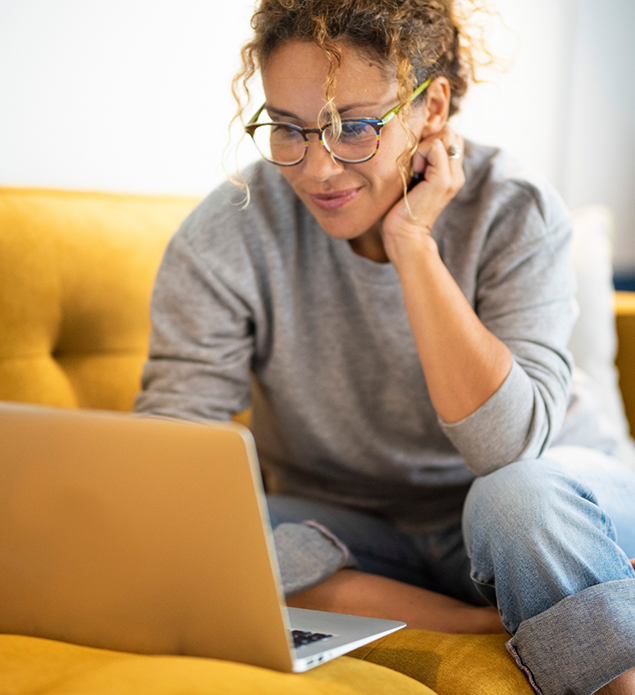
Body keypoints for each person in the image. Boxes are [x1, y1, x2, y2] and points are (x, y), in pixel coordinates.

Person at [133, 1, 635, 693]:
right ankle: (472, 616)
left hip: (542, 507)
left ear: (430, 109)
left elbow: (507, 449)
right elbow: (170, 451)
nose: (316, 168)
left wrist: (411, 247)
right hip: (358, 535)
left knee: (515, 500)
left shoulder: (513, 208)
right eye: (286, 128)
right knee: (185, 529)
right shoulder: (227, 233)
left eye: (355, 127)